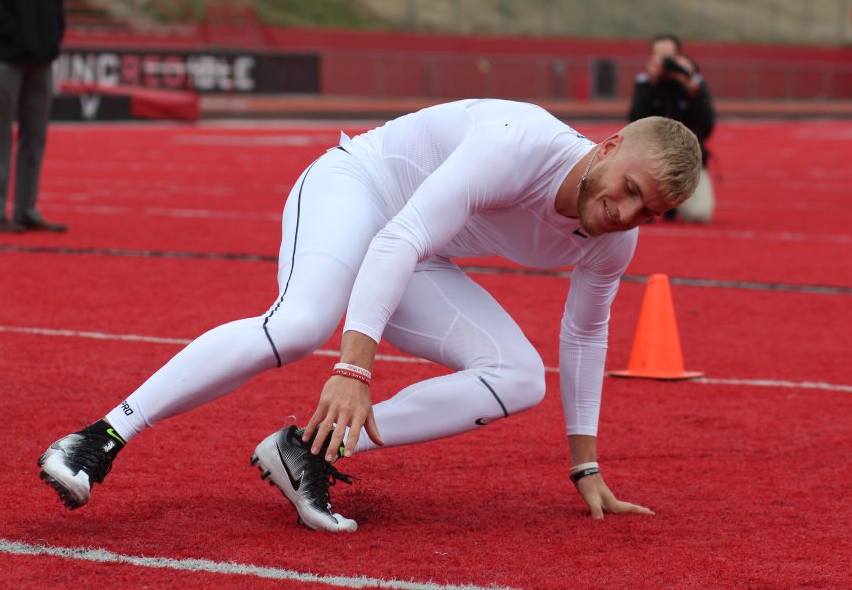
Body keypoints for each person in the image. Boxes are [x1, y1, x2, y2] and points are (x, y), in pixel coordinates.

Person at [38, 99, 701, 531]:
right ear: (610, 146)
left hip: (416, 246)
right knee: (299, 327)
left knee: (519, 376)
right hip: (358, 190)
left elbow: (585, 332)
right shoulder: (516, 143)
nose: (625, 214)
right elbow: (397, 238)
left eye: (649, 212)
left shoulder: (617, 239)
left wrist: (585, 465)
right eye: (629, 191)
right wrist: (353, 369)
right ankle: (98, 437)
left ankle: (306, 453)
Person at [0, 0, 68, 233]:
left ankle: (26, 208)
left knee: (35, 136)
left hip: (41, 55)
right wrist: (12, 32)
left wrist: (54, 32)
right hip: (2, 54)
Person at [629, 34, 715, 223]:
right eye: (660, 57)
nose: (666, 63)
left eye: (670, 57)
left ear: (680, 57)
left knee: (700, 215)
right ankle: (648, 200)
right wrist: (651, 85)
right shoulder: (645, 83)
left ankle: (676, 200)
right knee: (633, 214)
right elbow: (634, 124)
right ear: (651, 58)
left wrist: (692, 92)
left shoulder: (693, 83)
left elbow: (706, 127)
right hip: (649, 160)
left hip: (687, 160)